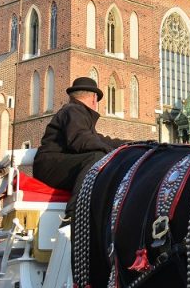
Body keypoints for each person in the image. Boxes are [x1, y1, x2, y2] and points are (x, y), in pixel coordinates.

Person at [33, 76, 126, 220]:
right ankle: (74, 215)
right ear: (94, 98)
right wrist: (110, 152)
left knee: (100, 155)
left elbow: (100, 139)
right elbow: (80, 140)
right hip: (50, 166)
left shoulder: (75, 112)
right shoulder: (74, 110)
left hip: (55, 164)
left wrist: (130, 145)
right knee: (97, 157)